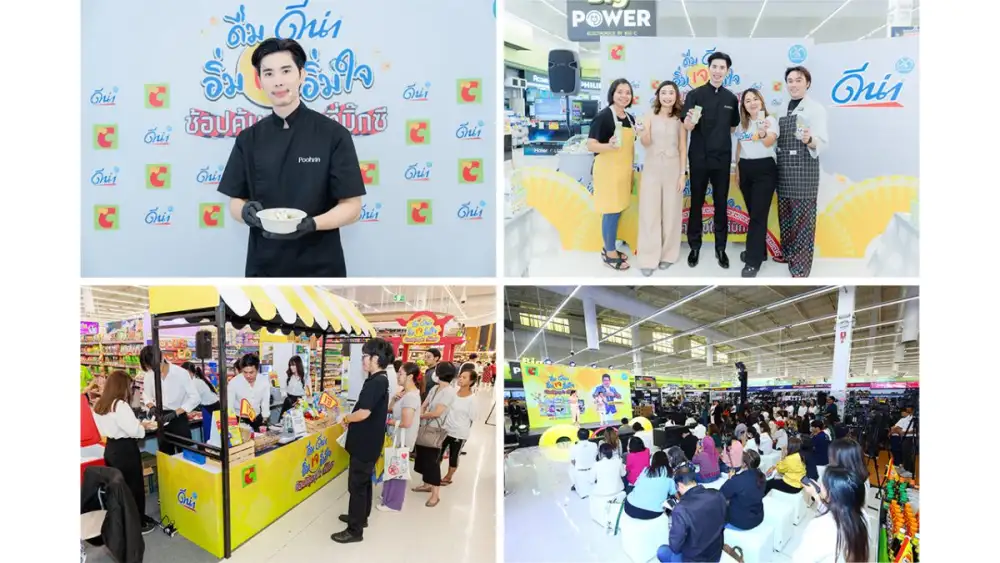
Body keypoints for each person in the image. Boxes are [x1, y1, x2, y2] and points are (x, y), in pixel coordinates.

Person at [217, 37, 366, 278]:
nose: (278, 81)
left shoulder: (333, 134)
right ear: (259, 81)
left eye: (286, 71)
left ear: (301, 75)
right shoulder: (248, 138)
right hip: (264, 268)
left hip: (321, 267)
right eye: (268, 73)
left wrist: (312, 224)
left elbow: (352, 207)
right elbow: (235, 202)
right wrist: (245, 212)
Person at [681, 51, 741, 269]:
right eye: (714, 66)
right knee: (696, 201)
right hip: (698, 157)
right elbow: (686, 125)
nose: (717, 71)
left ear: (727, 71)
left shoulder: (731, 98)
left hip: (722, 159)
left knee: (721, 203)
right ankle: (694, 246)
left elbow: (733, 126)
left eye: (722, 67)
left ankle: (720, 248)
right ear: (709, 68)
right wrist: (690, 123)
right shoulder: (694, 95)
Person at [332, 338, 391, 543]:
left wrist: (347, 418)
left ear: (376, 358)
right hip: (369, 442)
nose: (363, 360)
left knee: (357, 486)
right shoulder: (379, 379)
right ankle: (361, 517)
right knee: (364, 483)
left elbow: (364, 412)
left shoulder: (376, 382)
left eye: (365, 356)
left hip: (365, 444)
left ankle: (354, 530)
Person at [775, 65, 829, 277]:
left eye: (798, 80)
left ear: (808, 83)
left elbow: (822, 141)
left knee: (803, 219)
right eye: (790, 80)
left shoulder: (815, 109)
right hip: (784, 170)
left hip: (805, 170)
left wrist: (809, 139)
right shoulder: (782, 108)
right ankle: (788, 253)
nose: (793, 84)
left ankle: (801, 266)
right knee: (786, 215)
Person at [92, 370, 158, 534]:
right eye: (129, 386)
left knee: (119, 488)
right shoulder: (120, 405)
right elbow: (135, 432)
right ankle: (138, 522)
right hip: (126, 451)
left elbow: (115, 427)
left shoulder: (100, 405)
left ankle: (124, 521)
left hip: (111, 448)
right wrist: (141, 427)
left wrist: (137, 426)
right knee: (134, 487)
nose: (130, 390)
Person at [636, 80, 687, 276]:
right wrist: (641, 132)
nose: (667, 96)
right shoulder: (649, 116)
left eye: (671, 93)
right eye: (663, 92)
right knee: (649, 212)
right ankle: (648, 258)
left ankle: (668, 255)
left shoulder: (680, 119)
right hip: (652, 168)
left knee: (671, 213)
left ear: (676, 96)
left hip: (673, 169)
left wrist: (682, 175)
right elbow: (646, 142)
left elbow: (683, 148)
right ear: (658, 95)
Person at [587, 78, 637, 271]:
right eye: (620, 92)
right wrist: (609, 146)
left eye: (628, 92)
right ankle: (609, 253)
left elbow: (630, 147)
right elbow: (591, 145)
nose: (624, 96)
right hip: (607, 172)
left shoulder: (630, 118)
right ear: (612, 94)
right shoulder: (604, 116)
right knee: (611, 211)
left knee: (618, 210)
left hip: (623, 171)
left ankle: (609, 247)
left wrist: (631, 170)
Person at [793, 466, 869, 562]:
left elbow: (800, 559)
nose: (820, 485)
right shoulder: (863, 516)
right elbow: (835, 513)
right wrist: (817, 496)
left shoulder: (820, 527)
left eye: (823, 484)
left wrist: (818, 495)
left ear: (831, 495)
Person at [656, 461, 728, 562]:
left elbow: (675, 547)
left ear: (680, 485)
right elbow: (724, 520)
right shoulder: (717, 494)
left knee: (662, 551)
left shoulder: (680, 510)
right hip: (715, 555)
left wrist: (673, 523)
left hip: (694, 559)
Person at [411, 361, 458, 507]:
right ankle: (426, 484)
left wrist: (419, 415)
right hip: (425, 428)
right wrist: (420, 412)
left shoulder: (449, 392)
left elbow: (437, 413)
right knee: (423, 458)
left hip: (436, 430)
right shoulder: (435, 388)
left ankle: (435, 495)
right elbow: (424, 404)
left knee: (432, 461)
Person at [377, 362, 421, 513]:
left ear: (410, 376)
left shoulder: (411, 397)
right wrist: (395, 400)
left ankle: (393, 503)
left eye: (401, 373)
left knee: (397, 470)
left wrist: (387, 421)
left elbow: (406, 423)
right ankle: (387, 496)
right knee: (392, 467)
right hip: (396, 437)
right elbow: (390, 409)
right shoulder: (405, 394)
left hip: (402, 439)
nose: (397, 376)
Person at [140, 346, 199, 455]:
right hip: (161, 419)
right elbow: (146, 395)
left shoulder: (181, 373)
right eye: (150, 367)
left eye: (155, 366)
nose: (154, 370)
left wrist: (176, 413)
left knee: (186, 454)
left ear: (162, 357)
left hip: (178, 418)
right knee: (165, 455)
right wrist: (151, 406)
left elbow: (195, 397)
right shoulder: (149, 375)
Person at [440, 366, 479, 486]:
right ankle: (434, 474)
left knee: (453, 456)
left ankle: (448, 477)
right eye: (460, 376)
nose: (460, 379)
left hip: (459, 433)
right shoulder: (453, 392)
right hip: (445, 429)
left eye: (464, 377)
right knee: (438, 453)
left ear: (471, 381)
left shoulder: (472, 399)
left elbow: (473, 417)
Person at [720, 450, 766, 531]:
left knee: (717, 505)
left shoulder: (738, 480)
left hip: (743, 521)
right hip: (758, 516)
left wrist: (731, 479)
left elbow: (721, 494)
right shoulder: (761, 476)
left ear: (744, 464)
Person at [624, 450, 676, 519]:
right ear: (667, 461)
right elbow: (673, 492)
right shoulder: (669, 473)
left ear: (653, 461)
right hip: (653, 513)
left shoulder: (646, 470)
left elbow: (636, 484)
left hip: (630, 507)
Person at [227, 354, 271, 431]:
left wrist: (264, 421)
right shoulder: (234, 383)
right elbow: (230, 406)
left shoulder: (264, 381)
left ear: (257, 369)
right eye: (245, 372)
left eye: (251, 372)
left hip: (257, 419)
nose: (248, 376)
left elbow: (265, 403)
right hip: (239, 420)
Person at [181, 361, 220, 441]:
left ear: (191, 372)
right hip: (212, 407)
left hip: (210, 409)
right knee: (214, 434)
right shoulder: (197, 380)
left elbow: (191, 399)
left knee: (211, 435)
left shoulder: (194, 382)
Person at [568, 427, 599, 495]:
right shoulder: (594, 445)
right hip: (592, 469)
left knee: (570, 467)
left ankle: (575, 484)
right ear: (588, 436)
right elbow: (596, 456)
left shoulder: (574, 447)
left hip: (580, 471)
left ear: (578, 436)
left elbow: (573, 461)